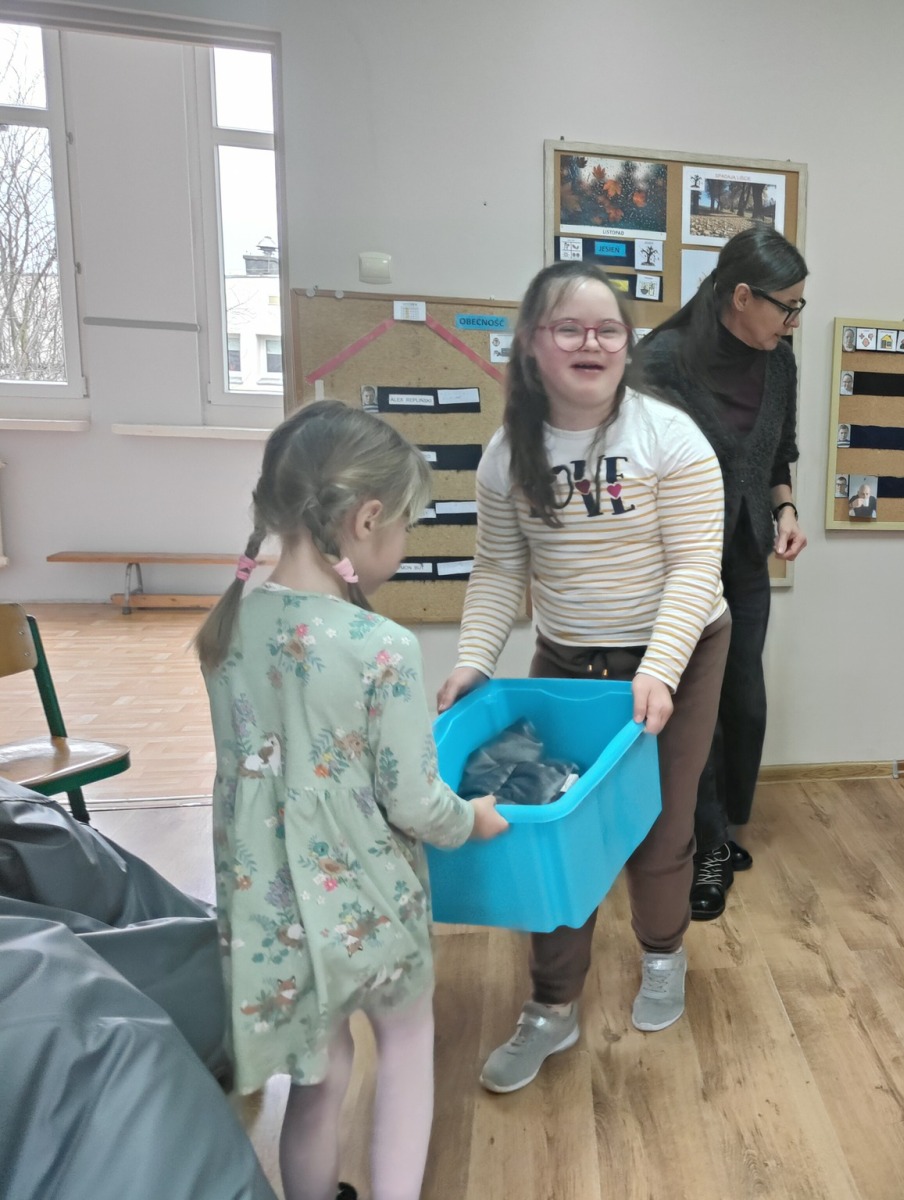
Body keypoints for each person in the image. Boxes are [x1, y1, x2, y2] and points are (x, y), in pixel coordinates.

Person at [195, 401, 509, 1200]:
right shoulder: (381, 647)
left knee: (320, 1075)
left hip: (271, 913)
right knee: (405, 1047)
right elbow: (415, 801)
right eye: (406, 525)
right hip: (368, 908)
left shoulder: (227, 629)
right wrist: (472, 820)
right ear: (366, 520)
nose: (403, 542)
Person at [435, 262, 731, 1093]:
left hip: (680, 651)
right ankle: (551, 1005)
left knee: (661, 826)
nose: (590, 343)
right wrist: (473, 660)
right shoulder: (507, 454)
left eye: (607, 329)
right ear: (533, 345)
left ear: (627, 344)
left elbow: (695, 568)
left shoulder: (670, 438)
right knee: (547, 827)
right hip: (569, 660)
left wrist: (661, 669)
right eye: (568, 328)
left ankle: (663, 956)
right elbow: (499, 568)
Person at [634, 227, 806, 920]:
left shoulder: (780, 361)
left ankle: (722, 826)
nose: (794, 321)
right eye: (787, 307)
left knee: (743, 700)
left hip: (745, 554)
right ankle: (701, 845)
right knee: (693, 707)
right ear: (741, 296)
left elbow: (777, 452)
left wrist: (785, 509)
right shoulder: (662, 361)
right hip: (678, 564)